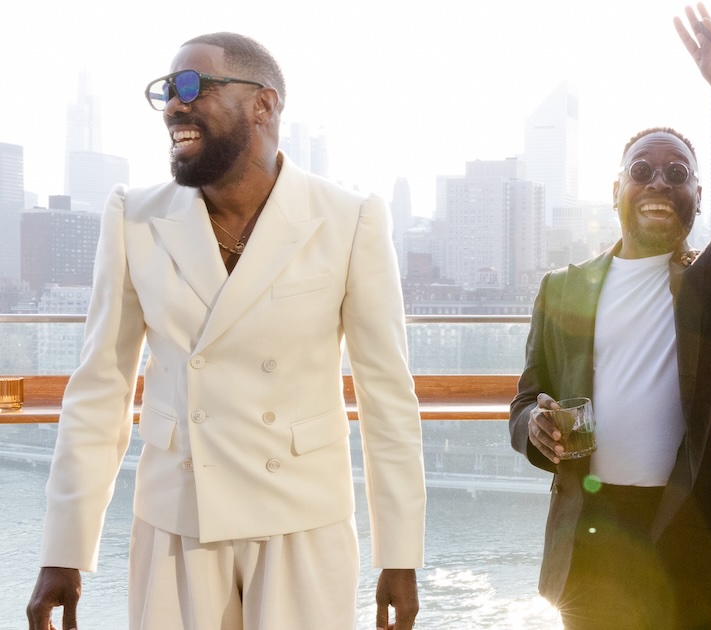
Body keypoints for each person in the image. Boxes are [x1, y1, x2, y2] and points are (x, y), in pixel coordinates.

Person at [26, 33, 425, 630]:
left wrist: (400, 556)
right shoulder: (133, 216)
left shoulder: (349, 218)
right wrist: (62, 551)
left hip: (301, 525)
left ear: (263, 105)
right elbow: (101, 389)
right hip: (175, 524)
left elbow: (387, 397)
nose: (173, 107)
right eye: (165, 91)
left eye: (191, 87)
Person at [508, 5, 711, 629]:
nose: (658, 182)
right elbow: (525, 401)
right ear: (615, 189)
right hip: (592, 541)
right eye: (641, 171)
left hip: (698, 533)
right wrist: (533, 433)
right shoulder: (560, 289)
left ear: (698, 198)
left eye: (678, 174)